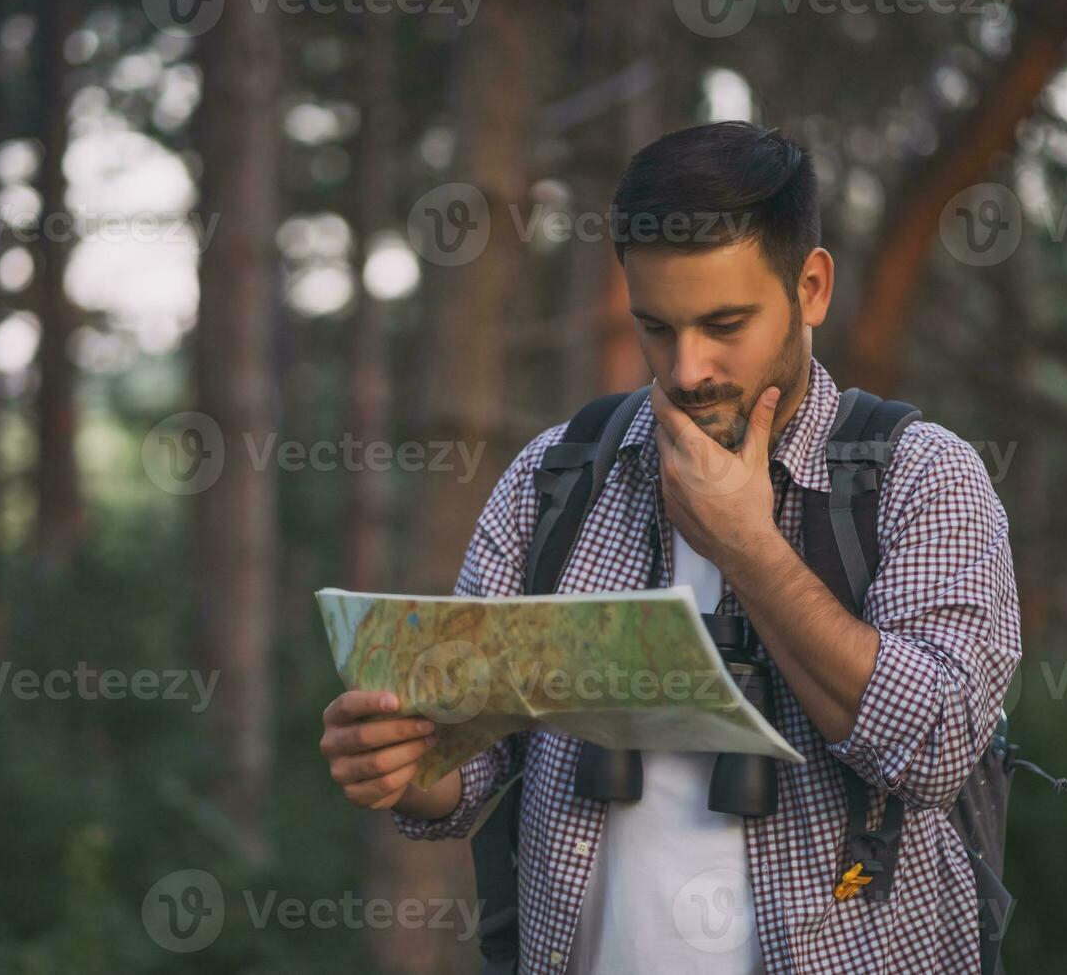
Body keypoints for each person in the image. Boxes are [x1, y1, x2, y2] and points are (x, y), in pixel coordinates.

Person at [318, 120, 1021, 973]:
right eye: (657, 327)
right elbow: (474, 750)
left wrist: (749, 551)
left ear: (812, 287)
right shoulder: (557, 475)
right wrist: (406, 765)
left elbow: (938, 746)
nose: (688, 370)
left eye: (726, 324)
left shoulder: (923, 476)